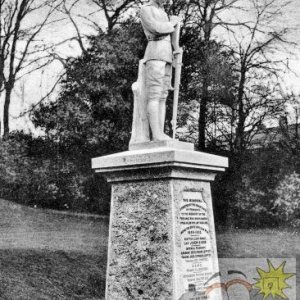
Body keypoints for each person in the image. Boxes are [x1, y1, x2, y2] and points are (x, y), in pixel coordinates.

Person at [140, 0, 180, 141]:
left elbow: (172, 37)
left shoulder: (163, 12)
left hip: (167, 55)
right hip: (154, 52)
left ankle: (160, 133)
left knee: (163, 96)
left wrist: (176, 50)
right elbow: (155, 28)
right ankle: (156, 134)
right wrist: (172, 24)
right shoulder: (146, 9)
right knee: (154, 95)